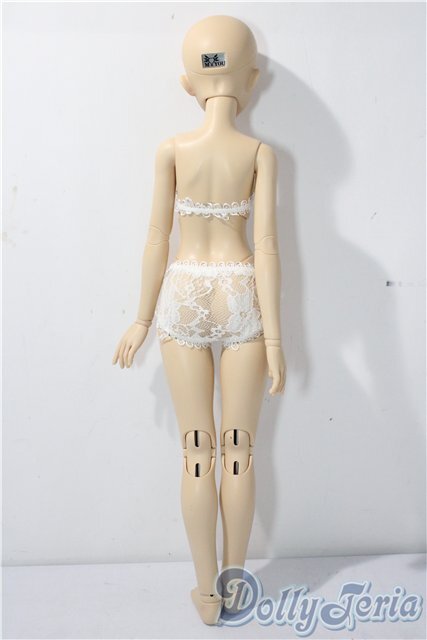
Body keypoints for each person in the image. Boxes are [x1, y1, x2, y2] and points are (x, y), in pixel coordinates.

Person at [112, 14, 286, 625]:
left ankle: (206, 595)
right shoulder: (259, 153)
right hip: (240, 290)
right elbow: (267, 246)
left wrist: (141, 318)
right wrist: (274, 337)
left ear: (187, 83)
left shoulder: (172, 149)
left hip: (184, 289)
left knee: (196, 452)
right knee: (239, 450)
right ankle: (235, 586)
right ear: (253, 79)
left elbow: (156, 237)